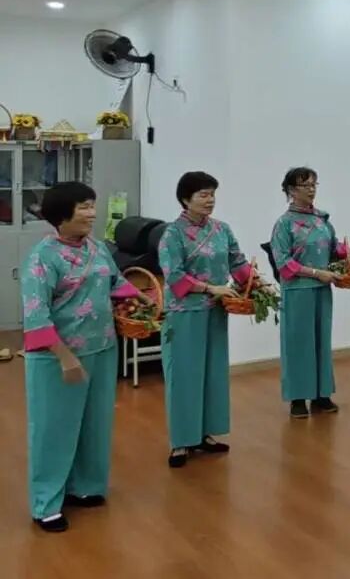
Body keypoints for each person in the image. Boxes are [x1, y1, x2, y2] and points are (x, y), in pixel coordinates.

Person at [20, 181, 148, 532]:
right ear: (62, 216)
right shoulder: (41, 258)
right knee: (54, 429)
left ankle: (86, 487)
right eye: (84, 207)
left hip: (102, 348)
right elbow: (36, 317)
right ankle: (46, 503)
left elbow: (114, 282)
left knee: (95, 424)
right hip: (57, 358)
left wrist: (141, 297)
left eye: (93, 205)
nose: (93, 213)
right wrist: (65, 358)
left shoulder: (97, 248)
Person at [158, 172, 253, 468]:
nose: (210, 200)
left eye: (212, 194)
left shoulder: (222, 229)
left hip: (216, 310)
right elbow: (174, 276)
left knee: (212, 373)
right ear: (185, 199)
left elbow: (238, 262)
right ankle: (180, 442)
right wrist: (210, 288)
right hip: (184, 313)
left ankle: (204, 434)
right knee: (184, 376)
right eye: (203, 194)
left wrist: (256, 283)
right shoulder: (172, 234)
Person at [271, 167, 350, 418]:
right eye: (305, 185)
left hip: (322, 289)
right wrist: (316, 273)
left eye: (314, 185)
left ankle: (322, 394)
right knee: (299, 344)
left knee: (321, 341)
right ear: (291, 190)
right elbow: (283, 263)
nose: (311, 190)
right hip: (297, 291)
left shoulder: (322, 220)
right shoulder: (283, 224)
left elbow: (334, 248)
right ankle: (298, 398)